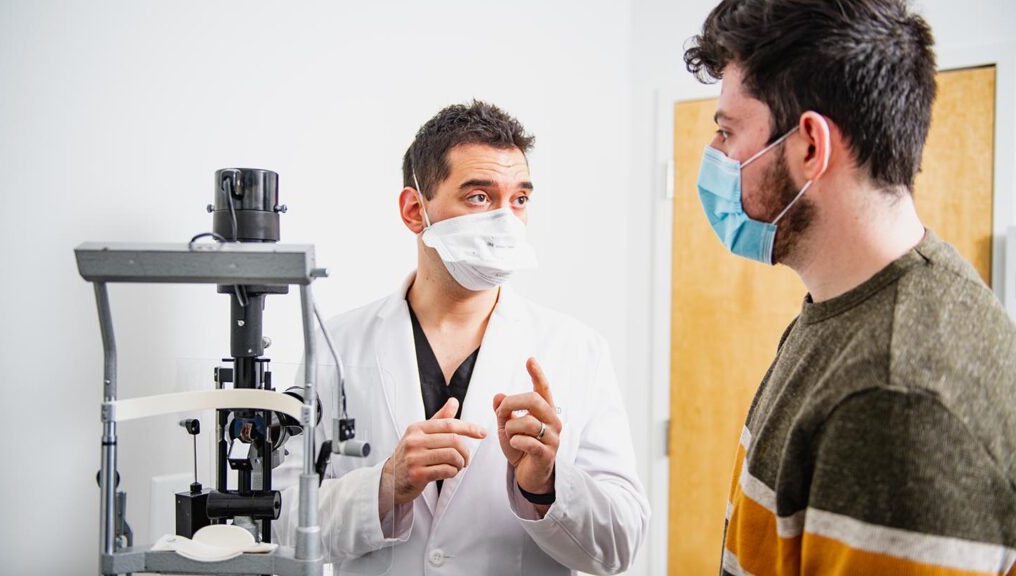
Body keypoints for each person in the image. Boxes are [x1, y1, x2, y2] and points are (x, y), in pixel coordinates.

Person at [683, 1, 1016, 574]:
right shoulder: (839, 310)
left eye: (727, 131)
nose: (715, 156)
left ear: (810, 145)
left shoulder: (898, 396)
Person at [275, 100, 649, 575]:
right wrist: (385, 486)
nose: (505, 220)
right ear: (415, 210)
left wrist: (547, 485)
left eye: (519, 199)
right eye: (479, 197)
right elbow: (277, 521)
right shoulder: (336, 347)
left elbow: (621, 546)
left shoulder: (577, 350)